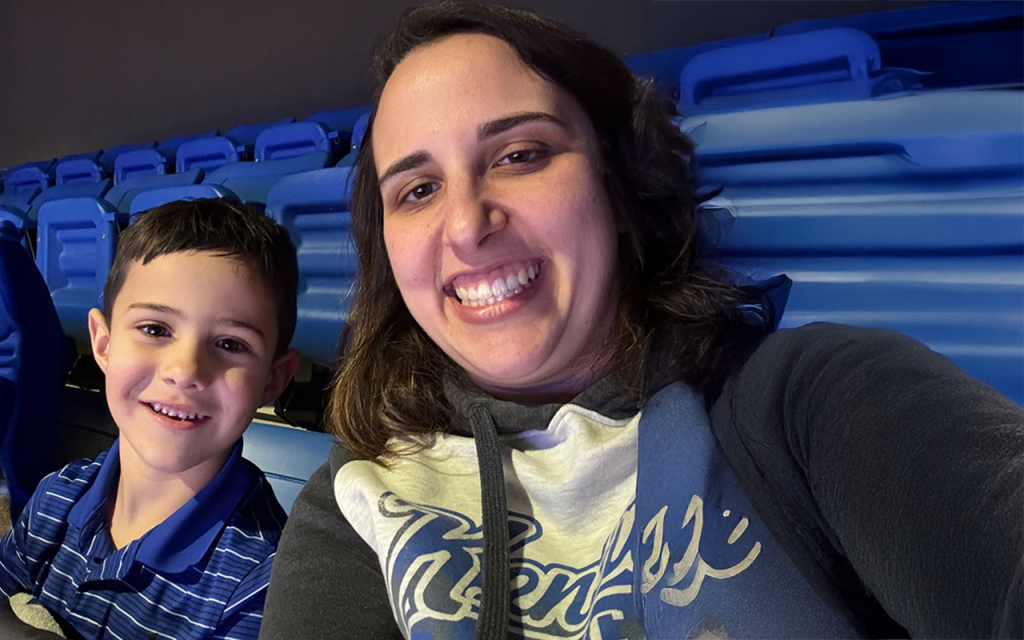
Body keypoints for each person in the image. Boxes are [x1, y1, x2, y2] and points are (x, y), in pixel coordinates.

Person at [260, 3, 1024, 639]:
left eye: (520, 154)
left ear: (619, 183)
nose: (466, 224)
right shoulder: (356, 504)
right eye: (417, 190)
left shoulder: (816, 400)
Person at [0, 199, 302, 639]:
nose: (185, 371)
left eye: (231, 344)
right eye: (156, 330)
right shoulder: (55, 497)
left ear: (275, 379)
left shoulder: (264, 588)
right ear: (102, 345)